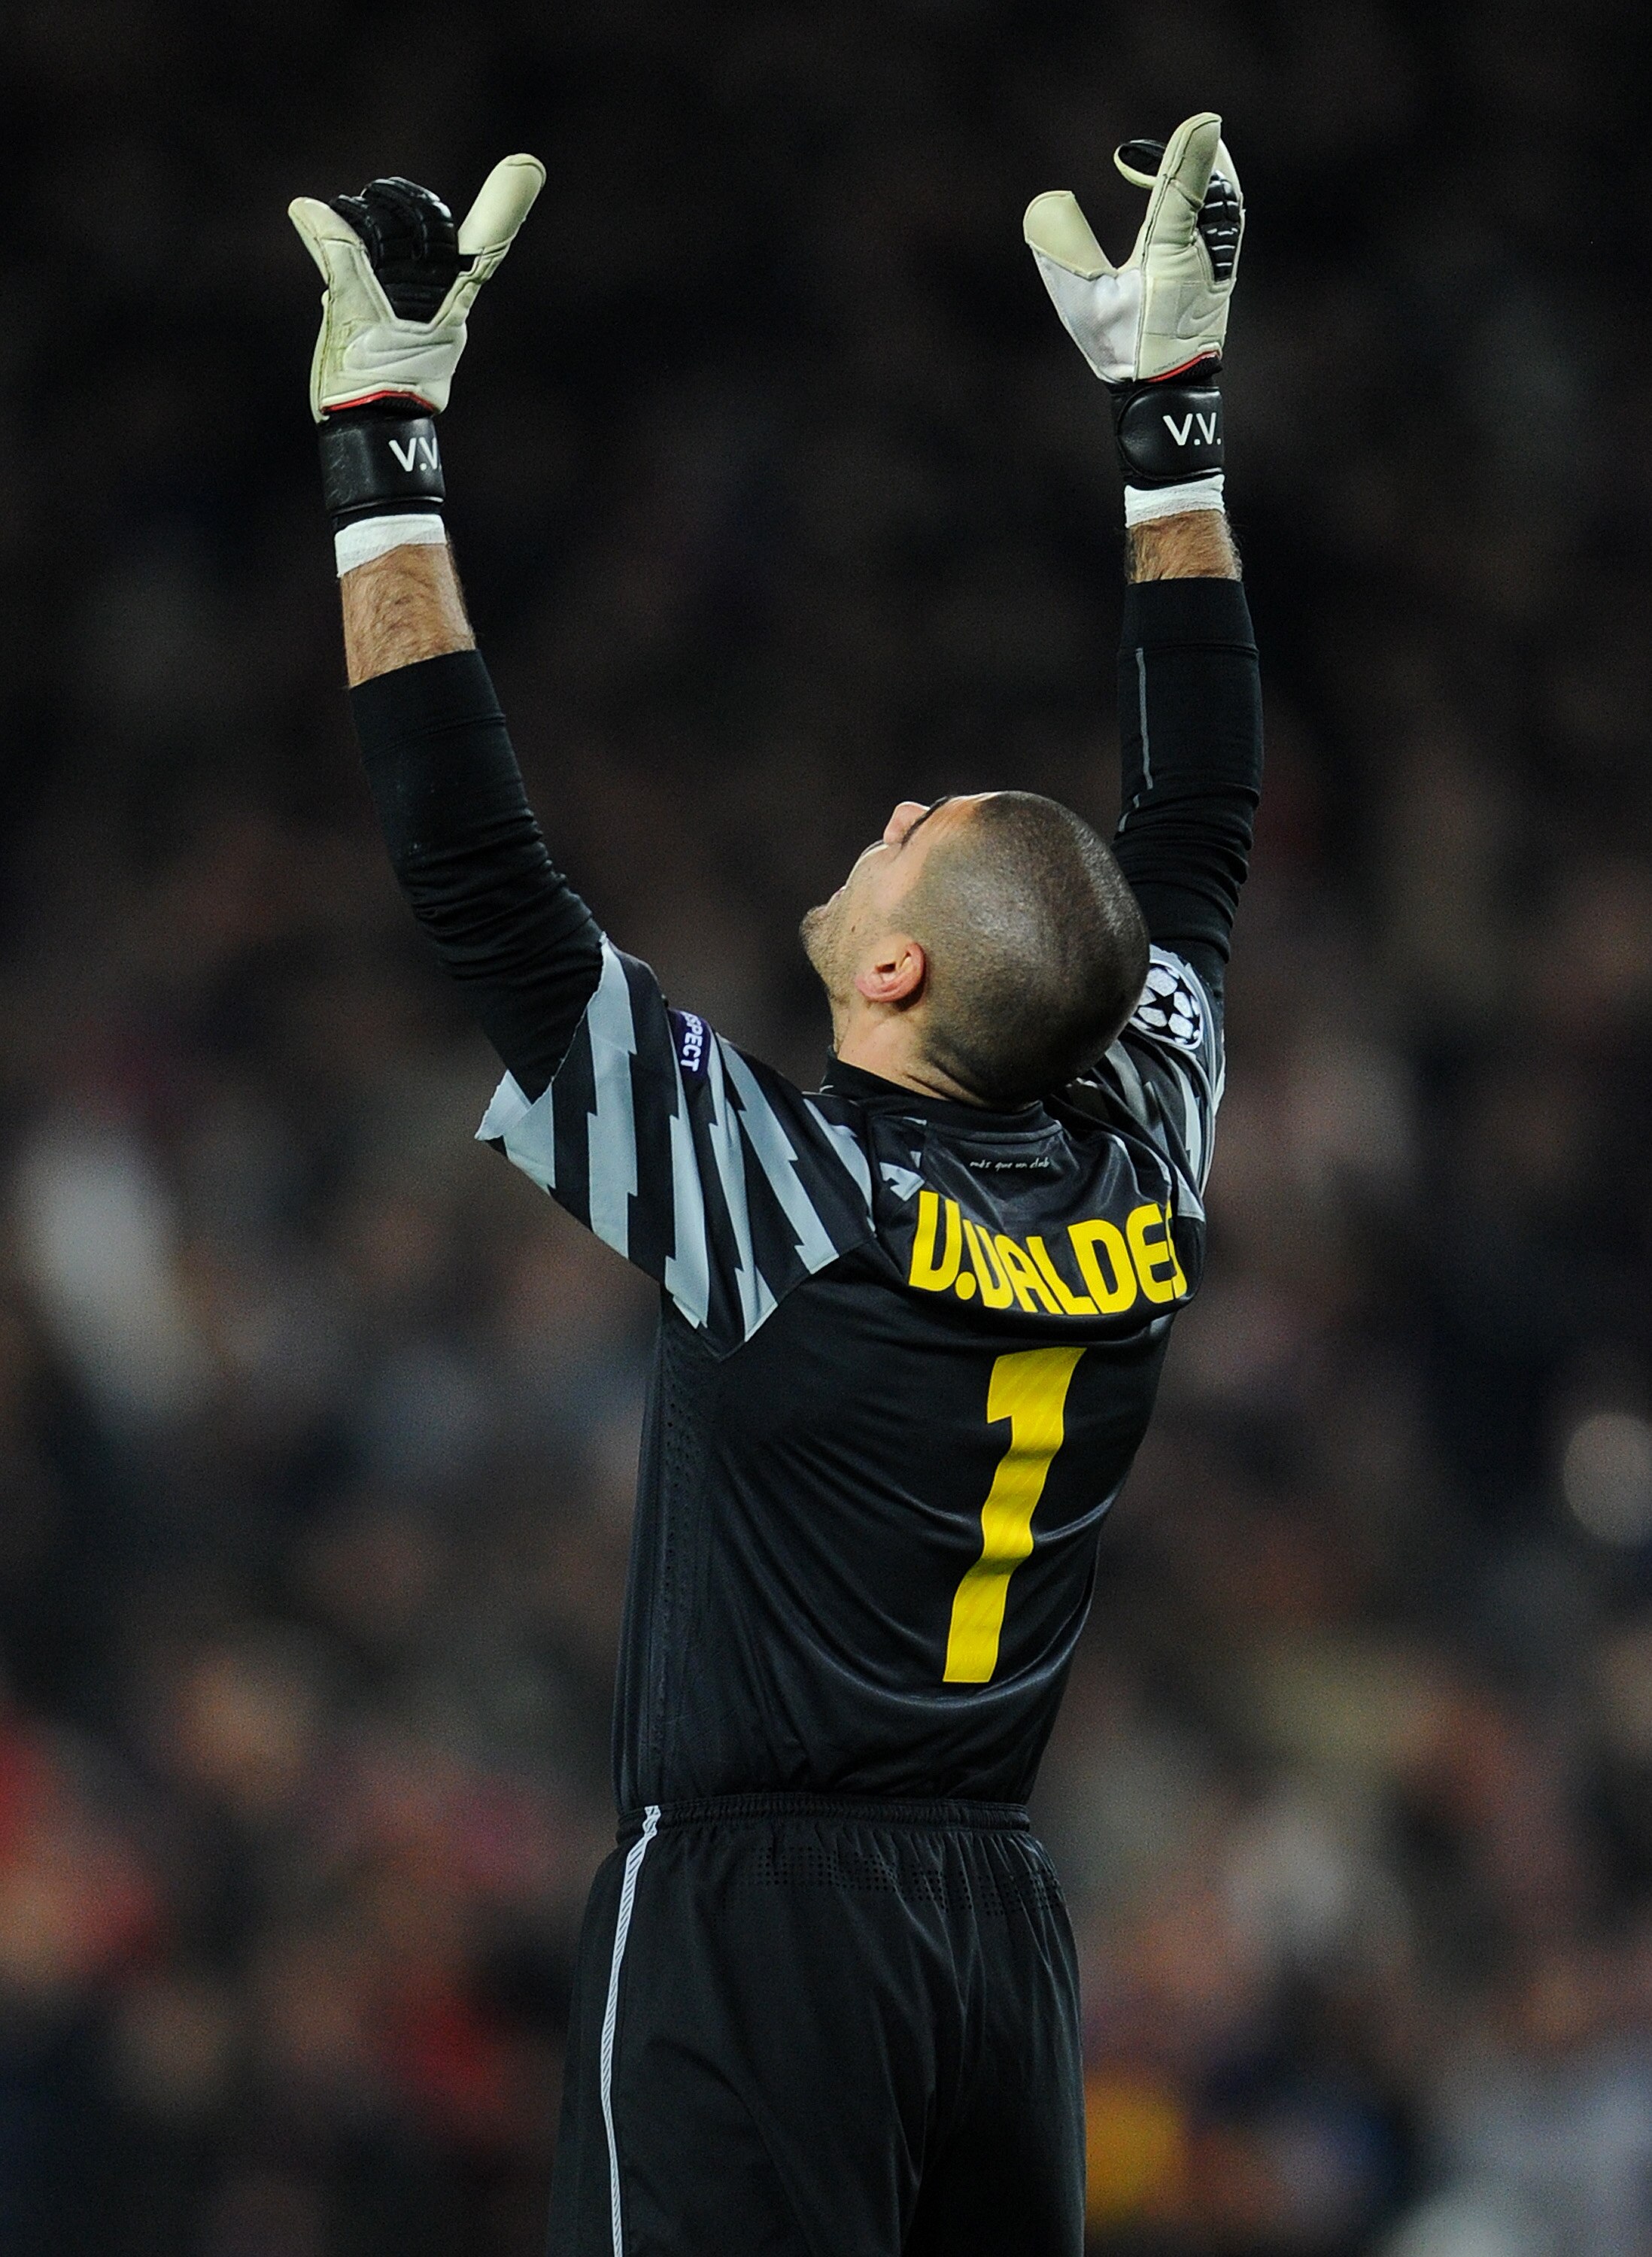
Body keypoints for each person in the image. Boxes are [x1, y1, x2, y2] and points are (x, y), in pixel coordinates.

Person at [289, 109, 1260, 2257]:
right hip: (999, 1942)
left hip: (755, 1933)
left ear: (897, 966)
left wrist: (383, 442)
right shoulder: (1136, 1171)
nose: (896, 801)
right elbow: (1190, 846)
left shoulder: (783, 1201)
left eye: (918, 828)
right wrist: (1168, 433)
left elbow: (478, 879)